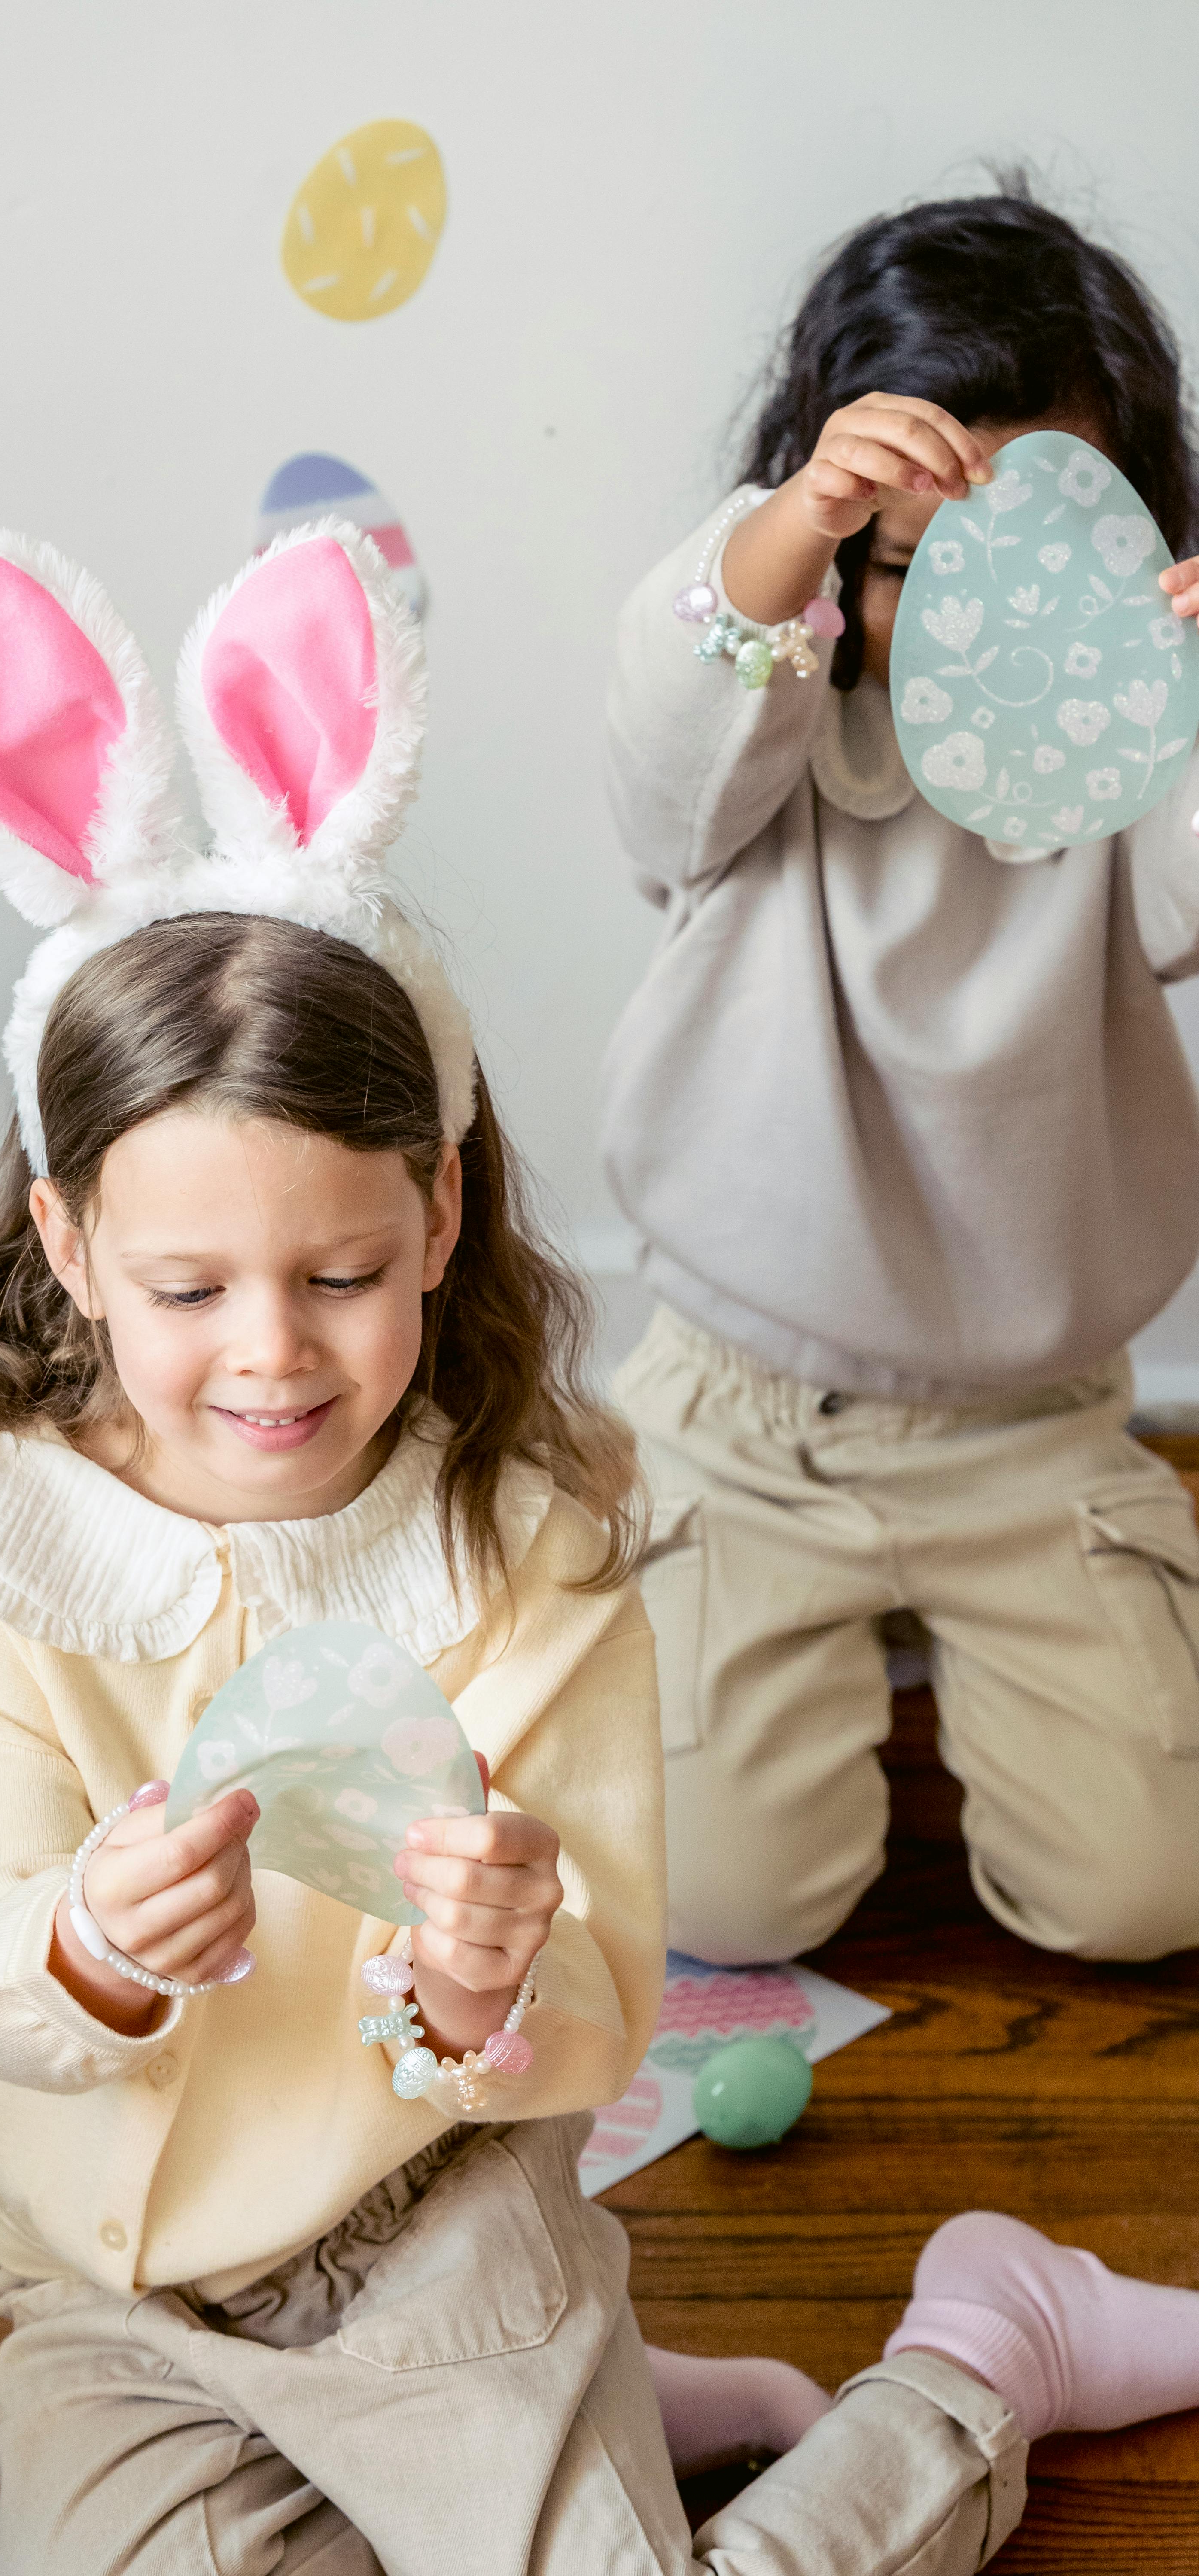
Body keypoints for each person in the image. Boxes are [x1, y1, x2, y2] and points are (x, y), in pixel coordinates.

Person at [0, 516, 1199, 2570]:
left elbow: (592, 2020)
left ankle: (970, 2361)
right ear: (69, 1246)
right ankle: (616, 2428)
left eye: (343, 1272)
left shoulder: (529, 1551)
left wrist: (490, 1987)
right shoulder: (0, 1550)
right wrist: (90, 1949)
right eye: (190, 1286)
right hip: (120, 2308)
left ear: (443, 1222)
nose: (272, 1357)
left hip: (443, 2232)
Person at [602, 182, 1199, 1971]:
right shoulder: (771, 719)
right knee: (723, 1901)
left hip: (1028, 1422)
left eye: (1033, 579)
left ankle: (977, 1645)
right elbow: (666, 757)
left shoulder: (1111, 763)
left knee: (1142, 1898)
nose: (962, 636)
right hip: (742, 1413)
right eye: (912, 574)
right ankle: (761, 1624)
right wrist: (789, 532)